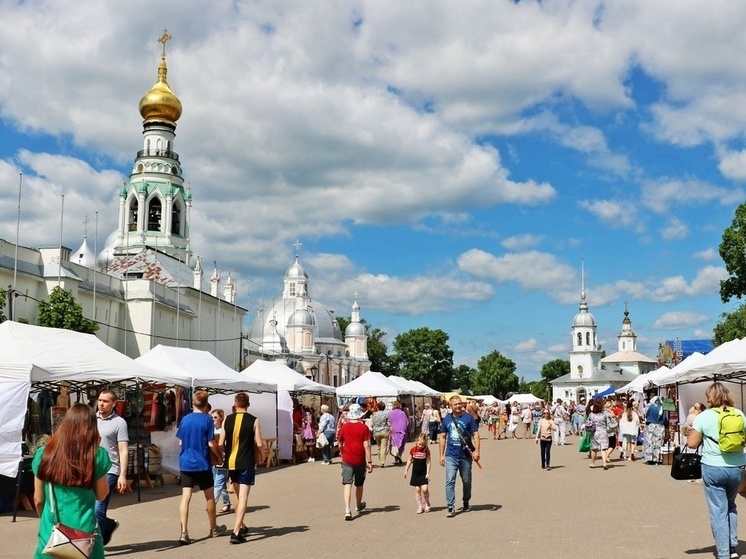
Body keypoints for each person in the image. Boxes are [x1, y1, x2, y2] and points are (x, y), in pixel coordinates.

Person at [33, 404, 111, 559]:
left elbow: (38, 499)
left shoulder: (44, 454)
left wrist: (47, 518)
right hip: (84, 537)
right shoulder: (96, 456)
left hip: (51, 534)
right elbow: (102, 495)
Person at [687, 382, 746, 559]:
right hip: (737, 467)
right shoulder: (739, 414)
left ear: (710, 397)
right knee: (731, 506)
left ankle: (723, 553)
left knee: (718, 510)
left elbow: (691, 444)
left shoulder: (704, 416)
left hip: (713, 467)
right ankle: (733, 547)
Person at [175, 390, 226, 545]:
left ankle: (184, 532)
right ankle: (213, 528)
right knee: (209, 496)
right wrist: (219, 455)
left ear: (193, 403)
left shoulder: (185, 419)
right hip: (202, 463)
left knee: (185, 498)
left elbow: (180, 442)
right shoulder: (207, 420)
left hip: (186, 463)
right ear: (206, 404)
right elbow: (211, 443)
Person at [220, 392, 265, 544]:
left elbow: (221, 442)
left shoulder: (227, 419)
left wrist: (219, 456)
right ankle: (236, 532)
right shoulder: (254, 420)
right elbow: (259, 443)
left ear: (235, 403)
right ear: (248, 404)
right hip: (246, 461)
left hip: (231, 462)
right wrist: (263, 455)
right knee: (244, 497)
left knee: (238, 496)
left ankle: (241, 524)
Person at [95, 389, 129, 546]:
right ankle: (108, 525)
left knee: (98, 510)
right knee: (90, 509)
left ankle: (97, 546)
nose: (101, 403)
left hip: (109, 470)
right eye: (100, 400)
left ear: (114, 404)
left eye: (106, 401)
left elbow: (123, 450)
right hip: (91, 470)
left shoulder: (120, 423)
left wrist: (122, 474)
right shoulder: (91, 419)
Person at [439, 395, 480, 518]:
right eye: (455, 404)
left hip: (466, 455)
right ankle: (450, 506)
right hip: (451, 455)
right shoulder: (446, 419)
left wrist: (477, 451)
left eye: (459, 404)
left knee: (466, 481)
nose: (458, 406)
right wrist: (441, 455)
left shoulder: (469, 418)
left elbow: (476, 435)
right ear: (450, 406)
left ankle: (466, 500)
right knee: (450, 480)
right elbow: (442, 437)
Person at [337, 403, 373, 520]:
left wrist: (342, 452)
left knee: (347, 484)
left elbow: (340, 443)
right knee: (359, 484)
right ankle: (358, 504)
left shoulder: (344, 427)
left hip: (347, 459)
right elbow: (366, 445)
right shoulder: (364, 427)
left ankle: (347, 509)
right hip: (360, 460)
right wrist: (370, 461)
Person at [403, 433, 431, 513]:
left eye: (422, 445)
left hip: (423, 473)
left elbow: (428, 462)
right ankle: (419, 506)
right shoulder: (413, 450)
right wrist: (406, 471)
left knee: (425, 489)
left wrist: (428, 473)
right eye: (419, 444)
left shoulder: (426, 451)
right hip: (415, 473)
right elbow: (409, 460)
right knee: (417, 489)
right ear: (416, 441)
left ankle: (427, 503)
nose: (420, 446)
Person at [211, 409, 231, 514]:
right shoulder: (211, 429)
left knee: (217, 484)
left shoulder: (224, 430)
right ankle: (226, 503)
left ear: (221, 418)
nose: (213, 419)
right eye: (212, 417)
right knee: (220, 483)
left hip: (223, 459)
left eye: (215, 417)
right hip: (213, 459)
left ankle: (211, 506)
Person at [642, 396, 666, 465]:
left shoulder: (651, 407)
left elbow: (646, 415)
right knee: (658, 443)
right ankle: (657, 459)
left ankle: (650, 459)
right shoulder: (661, 408)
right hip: (659, 426)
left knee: (650, 442)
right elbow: (664, 419)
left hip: (651, 426)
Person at [587, 398, 609, 470]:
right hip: (603, 432)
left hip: (595, 432)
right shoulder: (604, 415)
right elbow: (606, 423)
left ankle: (593, 463)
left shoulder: (591, 415)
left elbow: (589, 422)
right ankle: (604, 463)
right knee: (604, 448)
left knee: (594, 448)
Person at [371, 401, 390, 467]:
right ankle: (382, 461)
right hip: (384, 431)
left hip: (376, 432)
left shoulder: (374, 414)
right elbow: (388, 424)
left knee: (379, 446)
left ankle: (380, 459)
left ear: (377, 407)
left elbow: (372, 424)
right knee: (384, 447)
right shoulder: (386, 414)